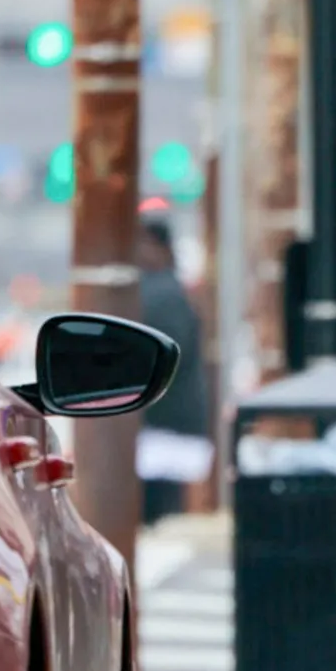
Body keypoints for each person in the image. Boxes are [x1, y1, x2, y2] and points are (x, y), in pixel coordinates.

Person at [134, 217, 210, 525]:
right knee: (167, 512)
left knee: (160, 512)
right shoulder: (171, 288)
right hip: (173, 421)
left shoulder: (158, 293)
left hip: (162, 422)